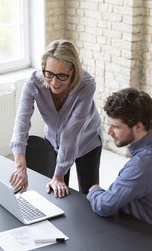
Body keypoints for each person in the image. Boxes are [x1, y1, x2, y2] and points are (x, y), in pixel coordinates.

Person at [87, 88, 152, 239]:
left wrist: (94, 190)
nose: (109, 132)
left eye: (116, 126)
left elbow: (104, 206)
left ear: (138, 126)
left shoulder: (142, 164)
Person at [9, 39, 102, 198]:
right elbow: (21, 123)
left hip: (87, 141)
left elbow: (71, 132)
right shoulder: (33, 83)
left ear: (73, 71)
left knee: (88, 196)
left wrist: (59, 176)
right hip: (55, 141)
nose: (55, 82)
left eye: (62, 76)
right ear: (43, 67)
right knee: (55, 193)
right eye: (49, 74)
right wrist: (20, 166)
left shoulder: (86, 84)